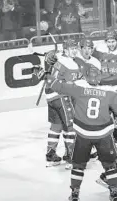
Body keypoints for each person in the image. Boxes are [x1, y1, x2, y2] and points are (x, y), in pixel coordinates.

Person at [41, 66, 117, 201]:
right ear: (99, 77)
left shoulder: (78, 90)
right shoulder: (110, 93)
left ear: (86, 78)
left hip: (83, 136)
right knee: (110, 165)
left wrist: (46, 75)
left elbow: (57, 86)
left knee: (78, 165)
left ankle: (75, 193)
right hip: (104, 136)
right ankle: (114, 192)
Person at [45, 39, 81, 168]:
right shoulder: (72, 65)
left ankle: (50, 155)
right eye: (72, 48)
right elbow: (71, 86)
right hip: (62, 96)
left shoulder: (58, 57)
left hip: (50, 96)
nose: (75, 50)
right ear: (66, 50)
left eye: (76, 47)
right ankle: (71, 157)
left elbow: (50, 57)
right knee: (70, 126)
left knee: (56, 126)